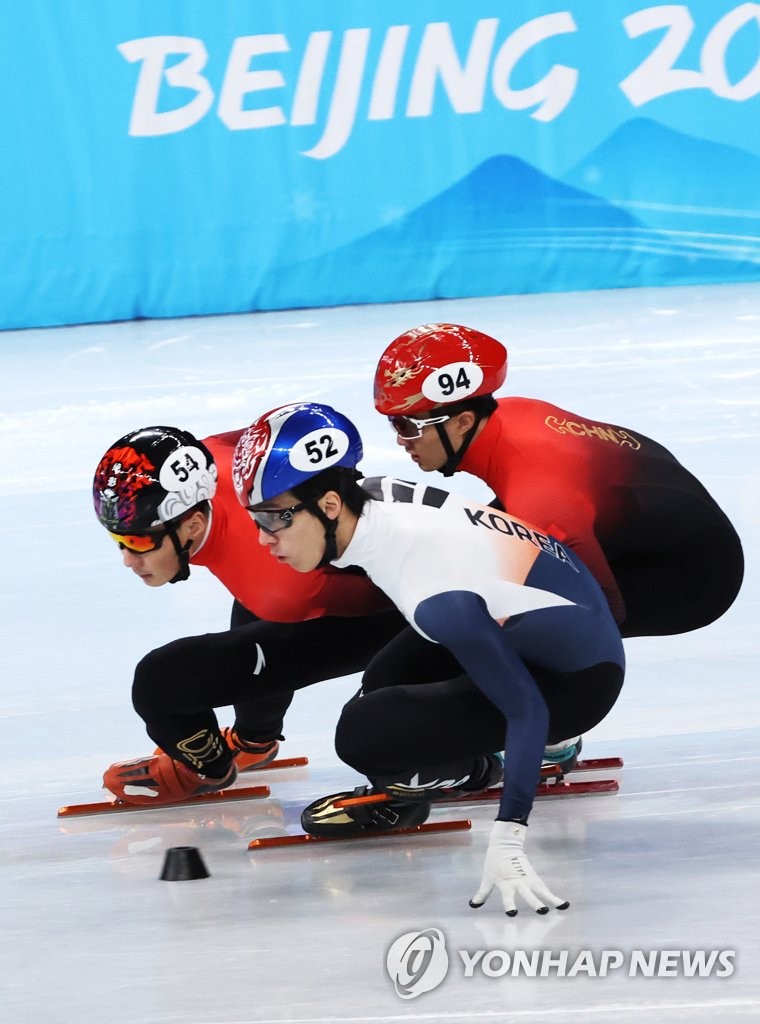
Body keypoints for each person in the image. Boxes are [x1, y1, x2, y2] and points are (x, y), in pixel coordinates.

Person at [234, 401, 626, 915]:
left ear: (330, 506)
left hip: (574, 681)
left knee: (364, 734)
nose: (264, 539)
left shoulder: (431, 588)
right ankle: (436, 763)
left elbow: (526, 708)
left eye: (273, 519)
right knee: (380, 685)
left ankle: (489, 765)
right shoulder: (368, 501)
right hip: (536, 624)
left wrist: (508, 835)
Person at [93, 425, 405, 805]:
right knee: (252, 608)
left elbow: (389, 612)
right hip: (313, 577)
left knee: (159, 685)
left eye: (138, 541)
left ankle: (207, 768)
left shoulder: (282, 586)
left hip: (387, 610)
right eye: (117, 540)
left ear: (192, 525)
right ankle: (254, 739)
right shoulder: (210, 457)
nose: (126, 560)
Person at [373, 322, 744, 637]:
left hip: (695, 573)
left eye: (406, 425)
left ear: (463, 421)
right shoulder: (508, 414)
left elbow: (600, 618)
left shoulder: (539, 498)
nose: (400, 440)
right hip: (648, 507)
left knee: (477, 631)